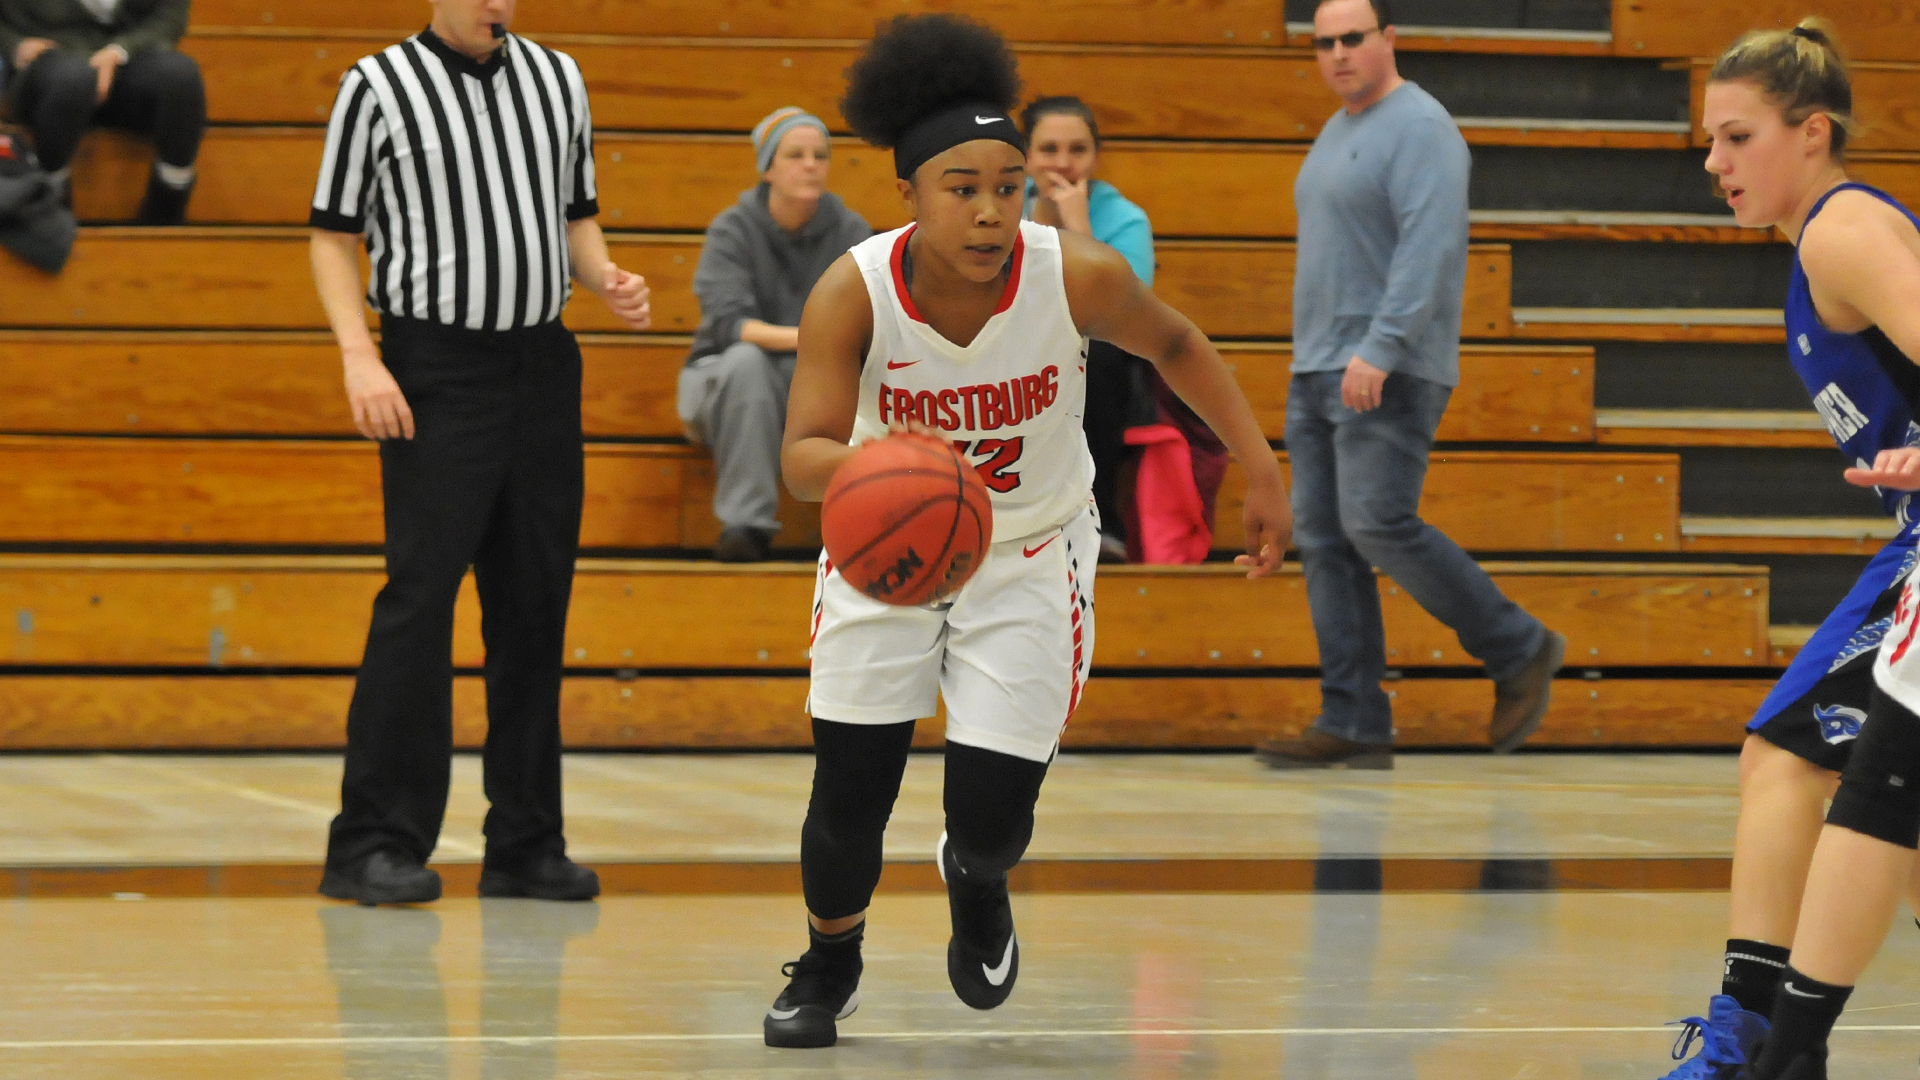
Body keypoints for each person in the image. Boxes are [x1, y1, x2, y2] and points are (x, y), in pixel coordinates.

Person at [763, 13, 1290, 1049]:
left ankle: (977, 875)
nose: (991, 210)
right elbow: (802, 456)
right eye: (963, 189)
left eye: (1008, 186)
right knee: (849, 797)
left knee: (996, 819)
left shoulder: (1074, 274)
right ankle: (829, 960)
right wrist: (894, 466)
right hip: (891, 554)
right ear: (910, 195)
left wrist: (1263, 465)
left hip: (1032, 552)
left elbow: (1178, 343)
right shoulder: (853, 290)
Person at [307, 0, 651, 907]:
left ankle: (526, 843)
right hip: (435, 366)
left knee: (534, 602)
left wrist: (604, 275)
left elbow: (575, 214)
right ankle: (371, 843)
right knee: (419, 603)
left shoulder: (559, 77)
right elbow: (333, 236)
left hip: (542, 362)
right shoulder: (376, 87)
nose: (501, 4)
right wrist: (359, 356)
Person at [1652, 22, 1920, 1080]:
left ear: (1812, 134)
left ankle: (1753, 1036)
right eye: (1709, 142)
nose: (1714, 163)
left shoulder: (1839, 233)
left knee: (1786, 756)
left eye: (1736, 136)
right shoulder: (1828, 237)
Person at [1252, 0, 1564, 771]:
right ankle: (1353, 718)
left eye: (1352, 39)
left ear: (1389, 39)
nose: (1337, 54)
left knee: (1374, 521)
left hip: (1383, 369)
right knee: (1326, 542)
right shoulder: (1338, 129)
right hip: (1318, 365)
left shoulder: (1422, 128)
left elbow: (1430, 249)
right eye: (1323, 43)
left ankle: (1519, 645)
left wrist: (1382, 348)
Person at [1022, 95, 1226, 564]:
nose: (1064, 163)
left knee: (1098, 353)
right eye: (1049, 149)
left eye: (1077, 150)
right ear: (1027, 157)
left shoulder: (1125, 218)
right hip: (1023, 355)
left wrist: (1078, 227)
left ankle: (1101, 517)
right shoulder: (1006, 214)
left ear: (1095, 156)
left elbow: (1123, 312)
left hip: (1104, 365)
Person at [681, 107, 872, 562]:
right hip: (724, 384)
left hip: (811, 383)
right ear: (768, 168)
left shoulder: (852, 231)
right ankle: (745, 525)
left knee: (868, 369)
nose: (811, 165)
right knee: (746, 361)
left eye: (820, 155)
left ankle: (861, 524)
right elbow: (733, 327)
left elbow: (868, 323)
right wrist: (817, 342)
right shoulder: (732, 229)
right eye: (795, 155)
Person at [0, 0, 204, 223]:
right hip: (49, 59)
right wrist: (13, 45)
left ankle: (167, 206)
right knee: (72, 79)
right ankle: (50, 201)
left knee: (181, 76)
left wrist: (119, 51)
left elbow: (169, 16)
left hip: (125, 57)